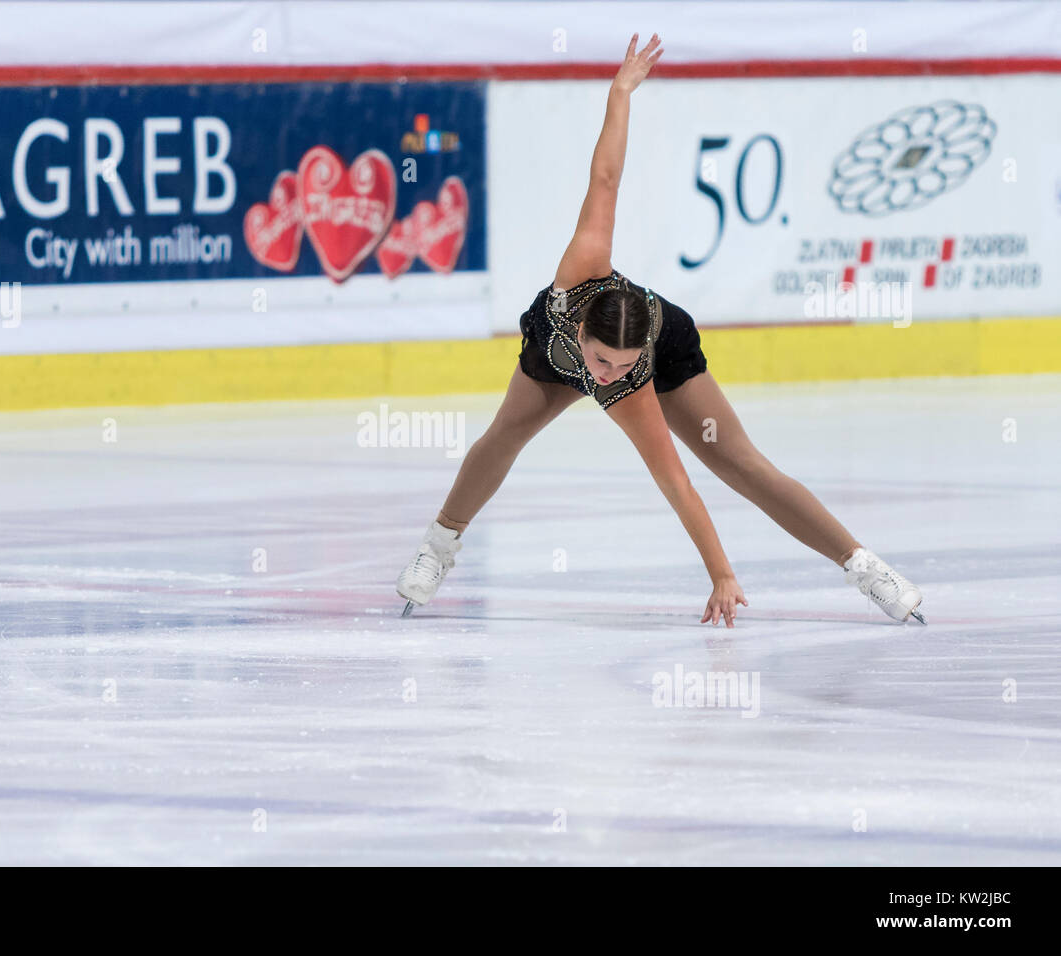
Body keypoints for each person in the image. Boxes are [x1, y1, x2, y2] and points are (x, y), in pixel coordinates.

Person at [395, 33, 925, 627]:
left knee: (741, 464)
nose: (607, 376)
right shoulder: (579, 271)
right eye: (601, 364)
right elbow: (605, 179)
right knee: (503, 437)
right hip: (551, 348)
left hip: (667, 341)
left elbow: (676, 484)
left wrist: (722, 573)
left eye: (620, 368)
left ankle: (864, 567)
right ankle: (439, 546)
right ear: (582, 334)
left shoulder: (632, 380)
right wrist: (620, 93)